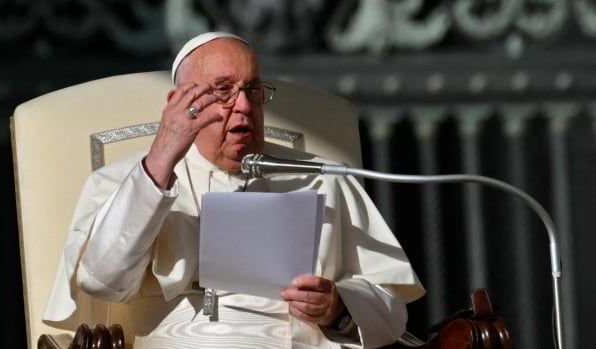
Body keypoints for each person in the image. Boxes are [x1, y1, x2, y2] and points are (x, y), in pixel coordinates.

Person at [43, 32, 425, 348]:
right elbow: (103, 281)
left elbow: (392, 308)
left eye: (253, 90)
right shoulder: (125, 179)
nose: (243, 105)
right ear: (180, 104)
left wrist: (338, 308)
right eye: (223, 90)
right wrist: (160, 161)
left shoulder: (320, 178)